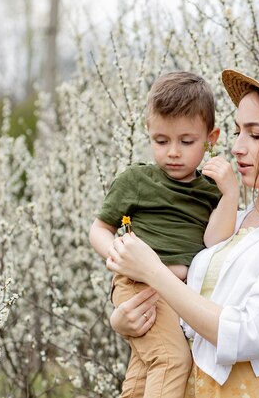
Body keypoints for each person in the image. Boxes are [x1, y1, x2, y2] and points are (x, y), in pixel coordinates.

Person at [107, 60, 259, 397]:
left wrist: (153, 270)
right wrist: (123, 322)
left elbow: (248, 332)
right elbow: (185, 318)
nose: (238, 147)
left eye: (256, 134)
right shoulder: (230, 220)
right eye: (237, 131)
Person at [89, 71, 238, 397]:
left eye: (186, 142)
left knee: (145, 371)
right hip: (138, 285)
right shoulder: (137, 180)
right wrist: (119, 255)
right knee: (171, 360)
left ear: (210, 139)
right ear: (149, 133)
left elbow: (215, 241)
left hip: (175, 293)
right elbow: (100, 228)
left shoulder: (209, 191)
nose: (173, 152)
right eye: (161, 141)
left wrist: (230, 196)